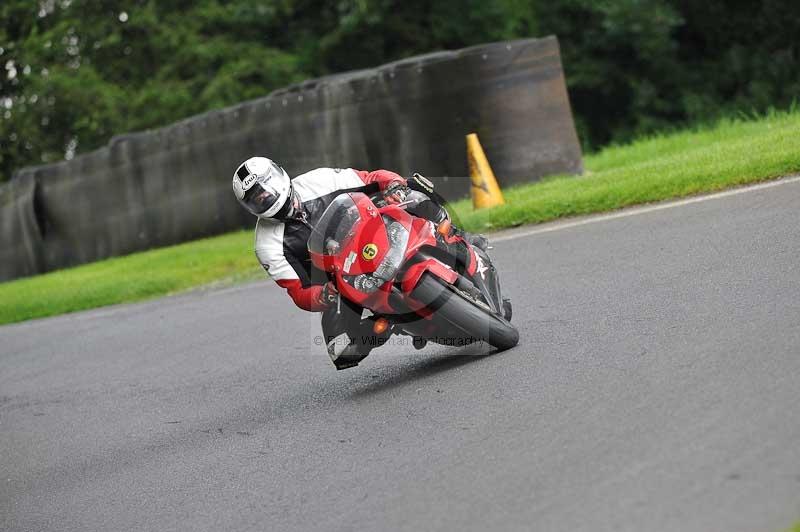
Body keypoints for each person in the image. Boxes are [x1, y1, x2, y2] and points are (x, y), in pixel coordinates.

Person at [232, 156, 488, 370]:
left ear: (279, 175)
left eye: (266, 186)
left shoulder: (319, 180)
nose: (265, 195)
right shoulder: (267, 245)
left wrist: (394, 186)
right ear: (249, 206)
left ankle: (456, 237)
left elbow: (370, 178)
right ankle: (394, 322)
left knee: (414, 191)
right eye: (256, 196)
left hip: (378, 230)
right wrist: (324, 294)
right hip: (344, 280)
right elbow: (298, 291)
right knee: (340, 350)